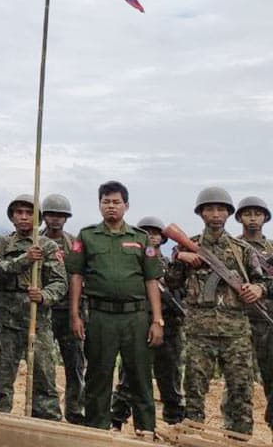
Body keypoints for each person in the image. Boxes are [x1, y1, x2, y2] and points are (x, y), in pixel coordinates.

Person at [167, 187, 271, 436]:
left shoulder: (242, 250)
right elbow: (171, 283)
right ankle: (192, 436)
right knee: (194, 389)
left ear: (228, 214)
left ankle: (239, 438)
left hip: (235, 331)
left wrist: (258, 289)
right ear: (201, 213)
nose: (215, 214)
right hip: (199, 331)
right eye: (210, 209)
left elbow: (265, 281)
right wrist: (181, 258)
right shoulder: (190, 245)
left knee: (241, 391)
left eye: (220, 209)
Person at [66, 181, 163, 435]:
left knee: (140, 378)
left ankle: (146, 432)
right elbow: (76, 276)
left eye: (116, 202)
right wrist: (75, 314)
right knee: (98, 377)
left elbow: (151, 280)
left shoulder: (140, 238)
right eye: (106, 202)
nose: (111, 207)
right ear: (99, 205)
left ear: (126, 206)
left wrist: (157, 320)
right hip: (100, 317)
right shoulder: (87, 236)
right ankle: (96, 432)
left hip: (136, 317)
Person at [0, 194, 67, 420]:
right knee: (3, 382)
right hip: (8, 325)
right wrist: (25, 259)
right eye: (19, 212)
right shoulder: (0, 243)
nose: (23, 217)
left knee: (44, 380)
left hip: (38, 323)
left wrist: (43, 296)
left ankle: (47, 428)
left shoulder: (48, 246)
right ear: (12, 217)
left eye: (29, 213)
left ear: (37, 218)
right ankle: (0, 426)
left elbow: (60, 283)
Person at [111, 216, 185, 428]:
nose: (151, 237)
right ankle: (116, 420)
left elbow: (183, 290)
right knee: (128, 378)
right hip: (138, 324)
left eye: (155, 233)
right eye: (146, 232)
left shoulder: (172, 265)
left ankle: (174, 422)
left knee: (169, 378)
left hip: (168, 327)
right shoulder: (131, 262)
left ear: (162, 238)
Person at [40, 193, 85, 424]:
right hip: (43, 312)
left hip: (70, 311)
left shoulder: (74, 243)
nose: (55, 219)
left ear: (66, 218)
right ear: (44, 217)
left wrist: (77, 313)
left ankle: (75, 411)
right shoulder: (35, 243)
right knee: (44, 365)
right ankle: (45, 411)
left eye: (60, 215)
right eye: (50, 214)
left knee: (75, 365)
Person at [235, 196, 273, 431]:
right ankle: (237, 430)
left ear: (265, 218)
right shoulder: (233, 248)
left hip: (269, 322)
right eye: (247, 214)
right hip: (241, 320)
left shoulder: (272, 249)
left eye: (257, 214)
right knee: (239, 380)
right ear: (239, 217)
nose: (252, 219)